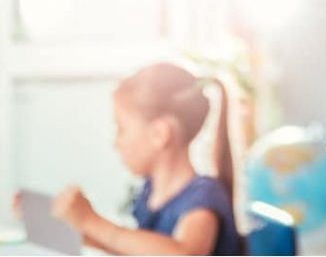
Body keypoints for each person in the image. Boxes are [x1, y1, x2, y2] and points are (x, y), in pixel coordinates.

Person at [50, 62, 240, 255]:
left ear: (159, 134)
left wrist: (92, 222)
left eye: (121, 129)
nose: (116, 143)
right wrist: (82, 233)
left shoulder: (204, 195)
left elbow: (184, 253)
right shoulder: (150, 190)